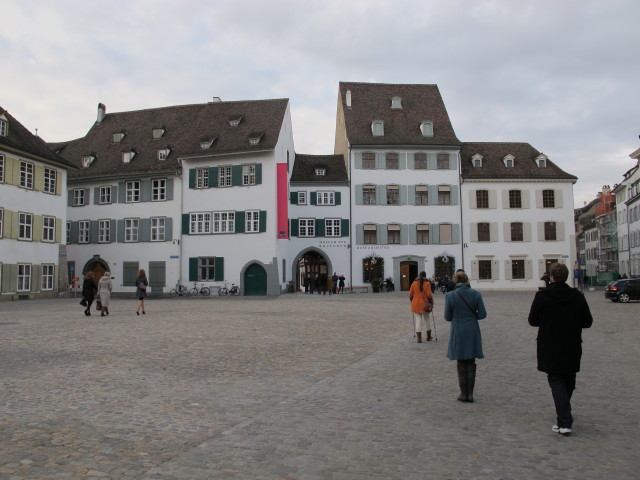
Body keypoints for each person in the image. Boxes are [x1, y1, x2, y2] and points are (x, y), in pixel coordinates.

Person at [528, 262, 593, 436]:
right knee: (568, 380)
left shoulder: (542, 296)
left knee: (557, 380)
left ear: (551, 277)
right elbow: (587, 321)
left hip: (550, 344)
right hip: (571, 343)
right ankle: (563, 417)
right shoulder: (577, 296)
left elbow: (532, 320)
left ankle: (564, 421)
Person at [444, 270, 487, 402]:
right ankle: (470, 394)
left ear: (455, 281)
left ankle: (463, 393)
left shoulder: (450, 295)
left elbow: (447, 316)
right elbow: (482, 314)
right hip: (472, 328)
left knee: (461, 361)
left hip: (458, 328)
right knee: (471, 361)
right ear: (467, 280)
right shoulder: (475, 294)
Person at [409, 271, 434, 343]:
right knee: (427, 319)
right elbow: (429, 295)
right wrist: (431, 302)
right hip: (425, 303)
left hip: (416, 303)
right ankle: (428, 336)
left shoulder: (414, 283)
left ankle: (419, 338)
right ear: (425, 276)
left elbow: (410, 294)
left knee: (418, 320)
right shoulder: (427, 283)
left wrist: (412, 300)